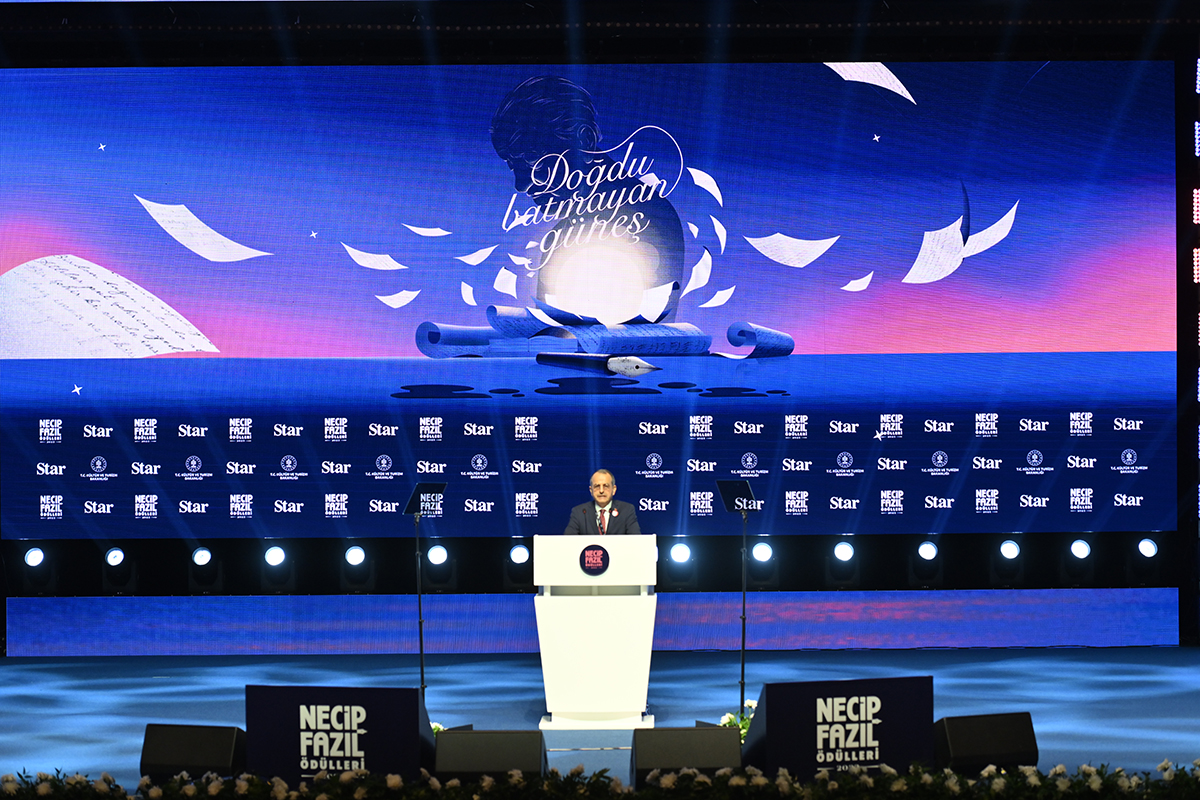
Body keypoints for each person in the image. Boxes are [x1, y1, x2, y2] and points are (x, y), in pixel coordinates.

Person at [563, 468, 641, 535]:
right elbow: (568, 541)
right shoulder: (579, 512)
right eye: (597, 486)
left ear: (613, 490)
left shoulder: (626, 510)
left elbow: (636, 540)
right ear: (591, 490)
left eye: (606, 486)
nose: (601, 491)